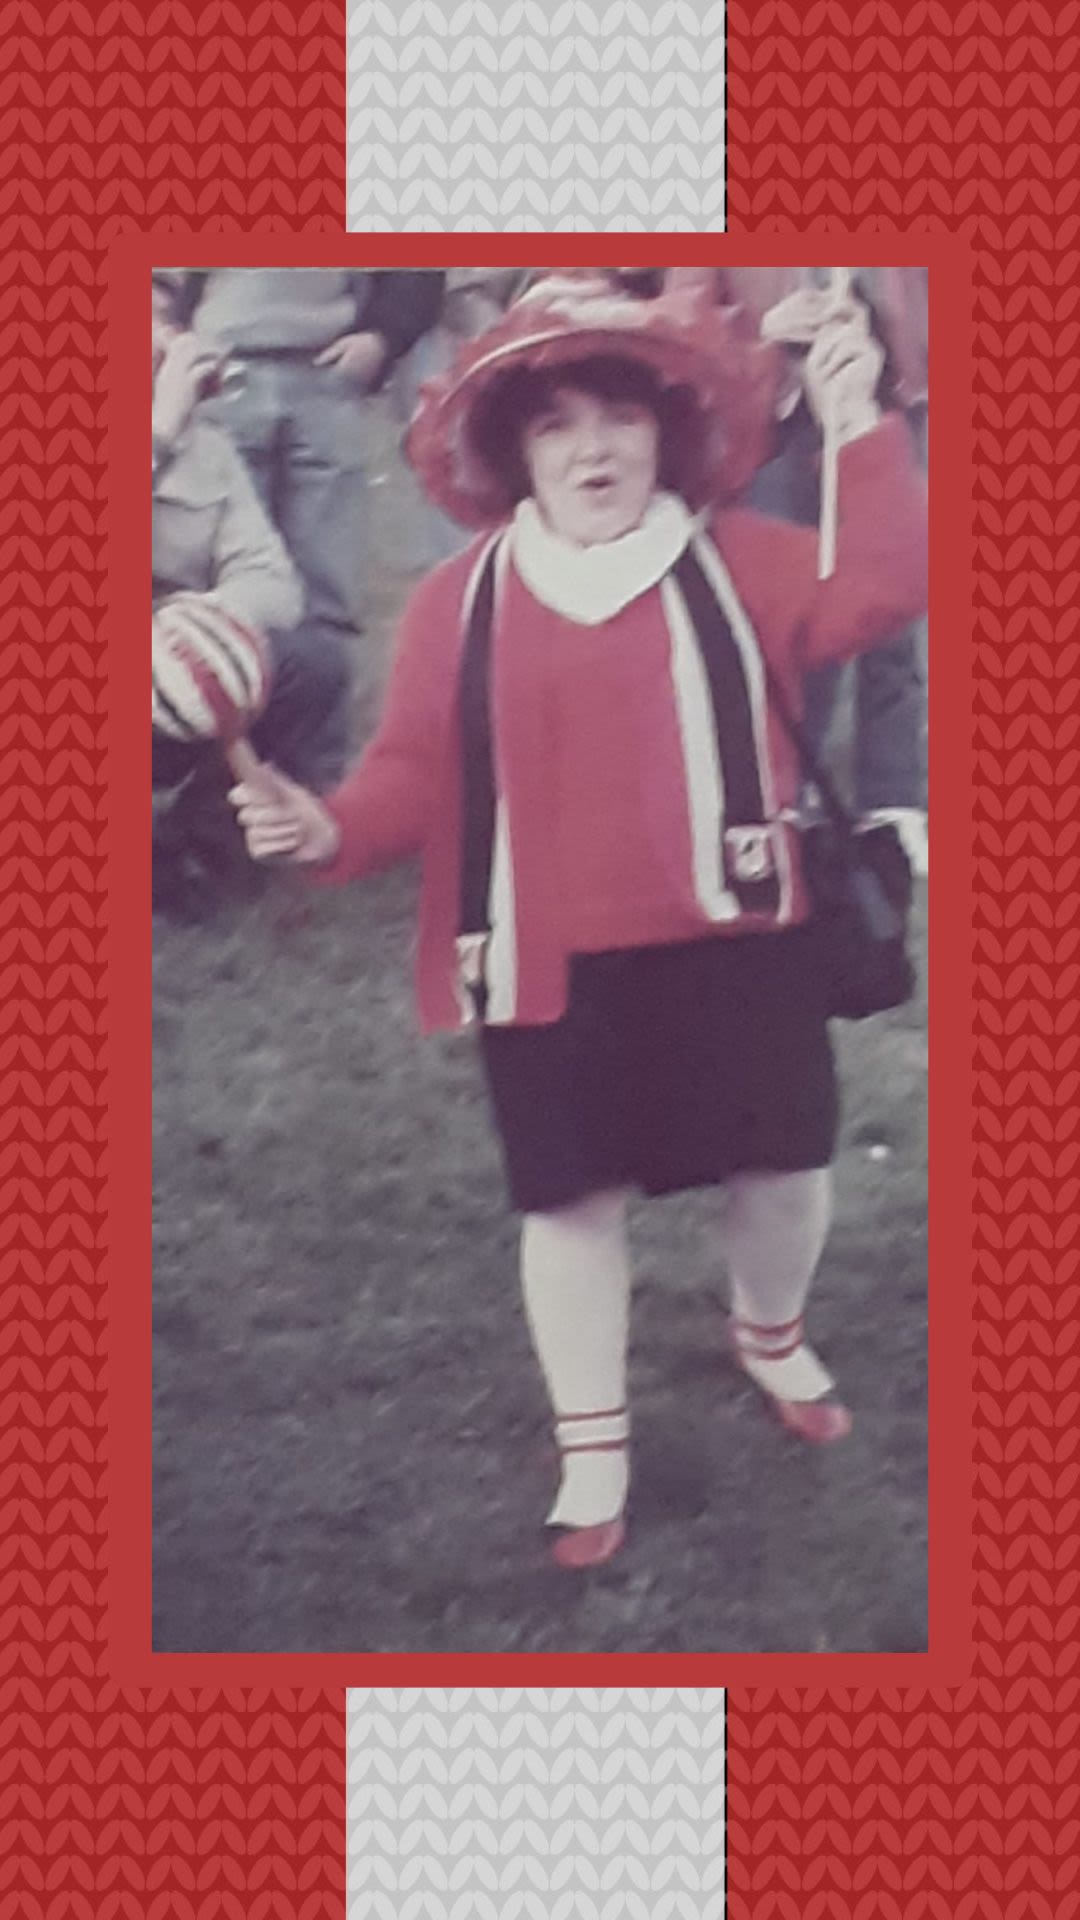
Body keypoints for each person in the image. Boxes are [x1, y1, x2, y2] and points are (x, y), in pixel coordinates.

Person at [228, 281, 928, 1571]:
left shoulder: (741, 557)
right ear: (514, 454)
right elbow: (410, 776)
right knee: (569, 1205)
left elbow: (884, 593)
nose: (592, 449)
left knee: (784, 1168)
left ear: (667, 433)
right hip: (549, 958)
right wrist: (326, 830)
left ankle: (770, 1332)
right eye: (556, 426)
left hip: (739, 935)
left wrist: (857, 421)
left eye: (619, 417)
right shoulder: (459, 600)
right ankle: (592, 1444)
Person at [175, 267, 445, 778]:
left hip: (325, 375)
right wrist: (176, 338)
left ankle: (319, 784)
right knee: (228, 598)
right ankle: (226, 782)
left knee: (327, 599)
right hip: (222, 373)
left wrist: (384, 336)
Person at [152, 276, 339, 914]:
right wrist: (156, 433)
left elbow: (270, 580)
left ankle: (197, 845)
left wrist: (196, 635)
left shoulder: (209, 448)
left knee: (312, 664)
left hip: (176, 676)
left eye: (163, 322)